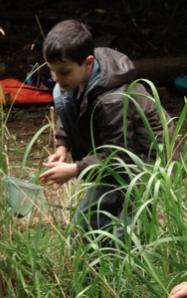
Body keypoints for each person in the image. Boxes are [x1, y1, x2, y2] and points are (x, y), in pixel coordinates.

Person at [39, 20, 179, 238]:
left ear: (88, 62)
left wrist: (75, 169)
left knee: (127, 234)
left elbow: (118, 156)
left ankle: (134, 259)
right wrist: (62, 146)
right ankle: (96, 266)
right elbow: (73, 108)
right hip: (117, 155)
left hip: (148, 162)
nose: (56, 79)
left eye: (63, 72)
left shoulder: (112, 101)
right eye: (51, 71)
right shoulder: (80, 77)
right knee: (83, 228)